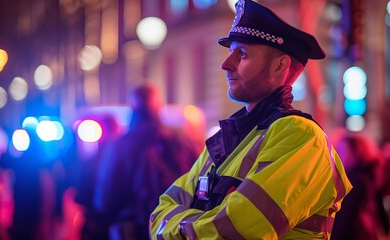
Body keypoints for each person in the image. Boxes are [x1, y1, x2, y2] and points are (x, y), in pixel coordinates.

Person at [149, 1, 353, 239]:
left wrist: (178, 225)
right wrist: (195, 226)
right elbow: (158, 215)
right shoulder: (227, 138)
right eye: (230, 53)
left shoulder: (301, 136)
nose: (226, 65)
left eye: (242, 54)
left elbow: (238, 230)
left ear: (279, 66)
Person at [93, 83, 199, 239]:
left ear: (133, 108)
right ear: (158, 106)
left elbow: (105, 199)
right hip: (173, 229)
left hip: (131, 231)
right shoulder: (184, 143)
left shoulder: (120, 146)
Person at [331, 133, 389, 240]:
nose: (339, 155)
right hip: (365, 232)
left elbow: (347, 216)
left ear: (356, 152)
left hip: (356, 234)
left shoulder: (356, 180)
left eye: (343, 150)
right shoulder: (367, 175)